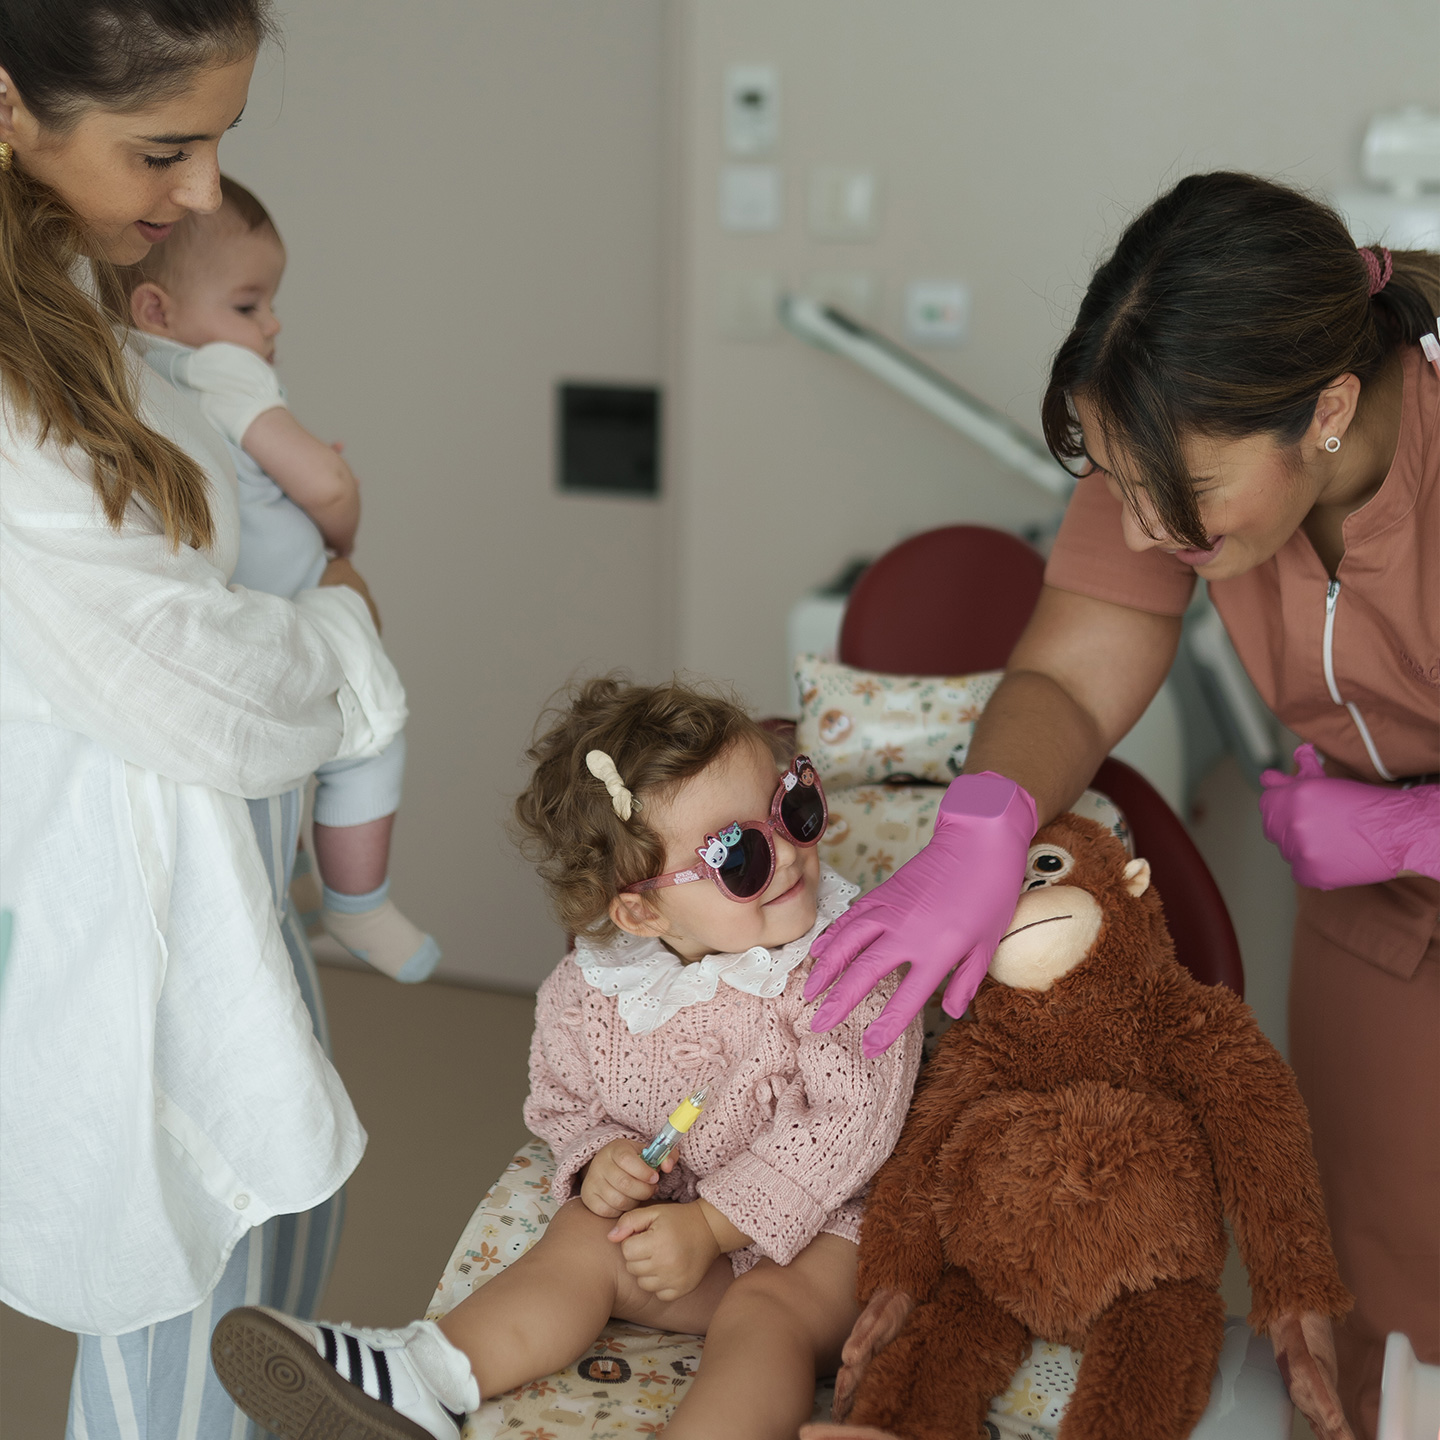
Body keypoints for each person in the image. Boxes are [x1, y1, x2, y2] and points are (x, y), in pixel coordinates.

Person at [804, 171, 1438, 1440]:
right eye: (1118, 483)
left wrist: (1419, 826)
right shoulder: (1164, 436)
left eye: (1176, 499)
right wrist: (984, 824)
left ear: (1326, 411)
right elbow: (1069, 672)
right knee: (1370, 1302)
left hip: (1384, 843)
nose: (1141, 530)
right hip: (1369, 911)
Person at [0, 2, 405, 1436]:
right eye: (164, 148)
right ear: (8, 110)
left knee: (255, 1310)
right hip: (140, 946)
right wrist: (345, 627)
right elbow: (198, 690)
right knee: (182, 1351)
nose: (203, 196)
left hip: (233, 901)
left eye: (219, 142)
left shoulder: (76, 302)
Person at [209, 677, 923, 1440]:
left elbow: (851, 1126)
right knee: (585, 1236)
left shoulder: (852, 960)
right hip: (691, 1236)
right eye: (737, 855)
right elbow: (564, 1101)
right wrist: (600, 1159)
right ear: (644, 911)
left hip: (833, 1241)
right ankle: (425, 1376)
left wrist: (715, 1226)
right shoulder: (593, 992)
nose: (783, 852)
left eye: (794, 809)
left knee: (761, 1314)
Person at [126, 174, 438, 982]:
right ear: (157, 309)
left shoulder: (128, 368)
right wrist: (343, 544)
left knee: (292, 753)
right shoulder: (223, 372)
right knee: (370, 728)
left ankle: (302, 874)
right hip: (298, 597)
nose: (270, 324)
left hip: (230, 603)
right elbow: (327, 484)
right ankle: (358, 900)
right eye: (247, 304)